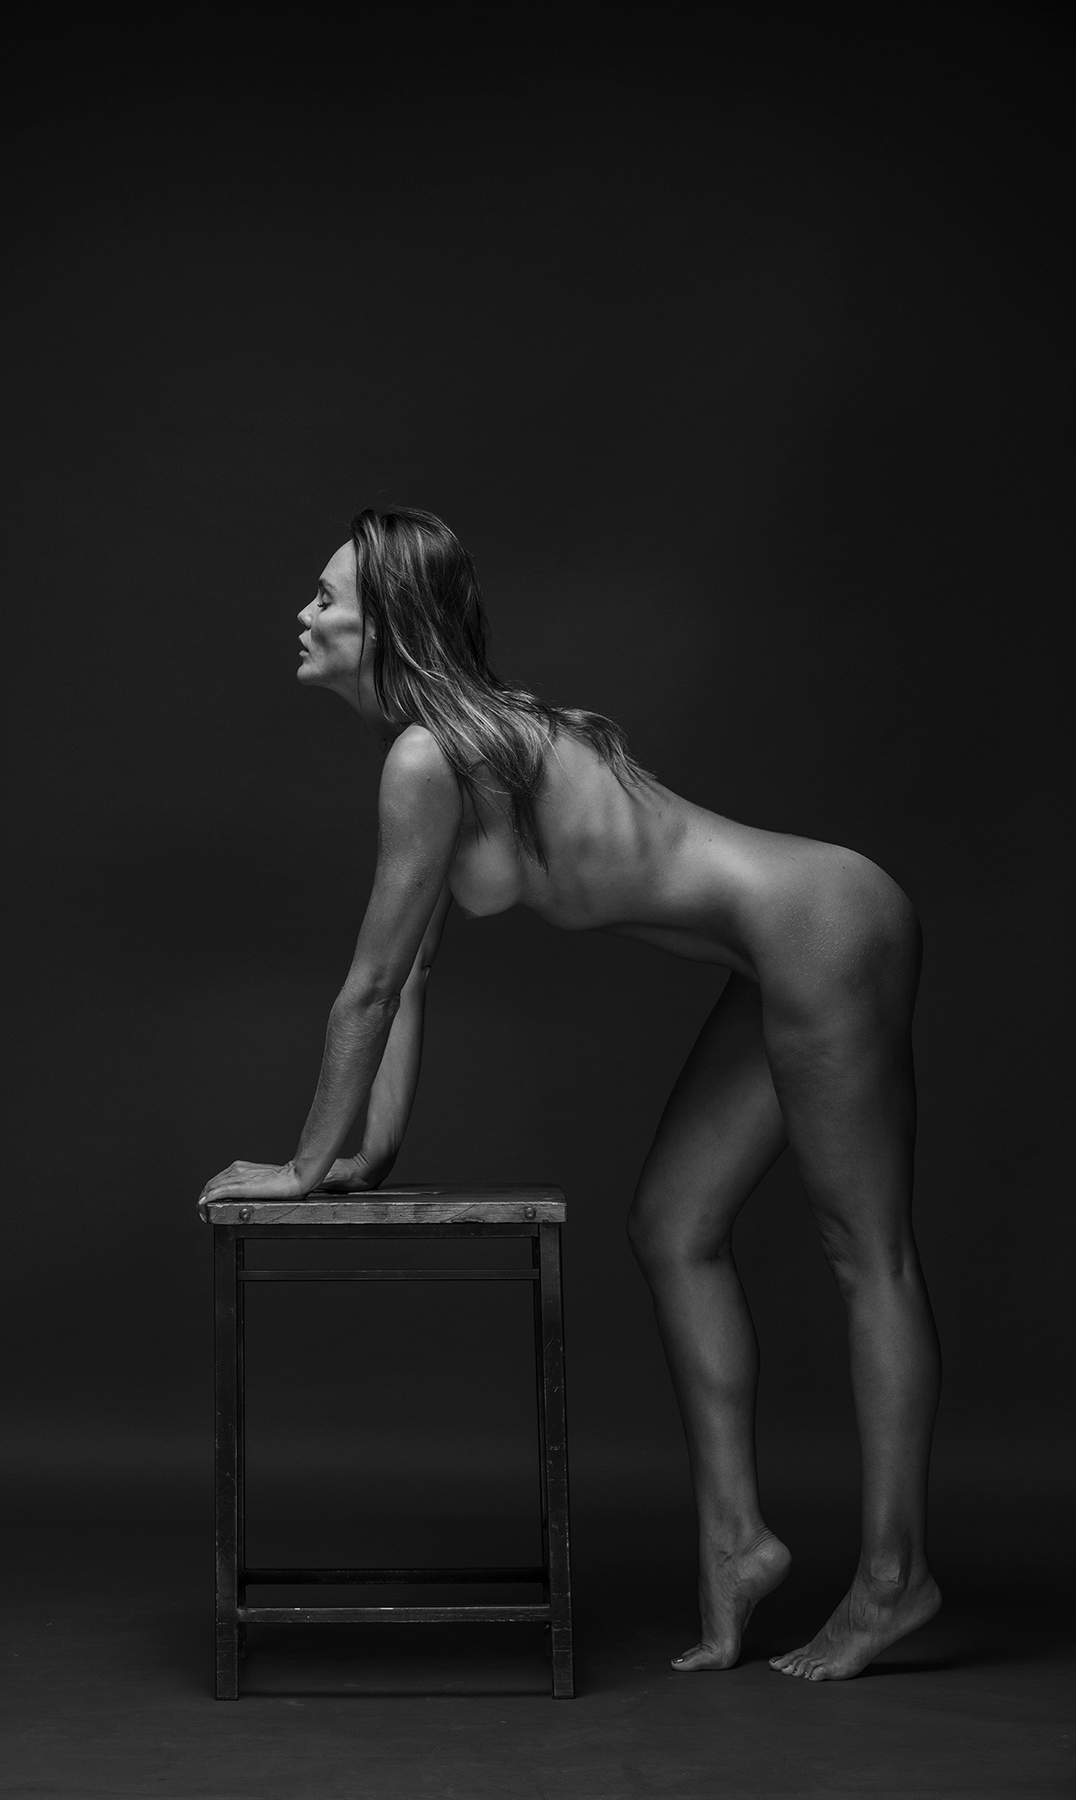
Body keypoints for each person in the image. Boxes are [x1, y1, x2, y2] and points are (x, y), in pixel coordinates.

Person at [197, 506, 942, 1682]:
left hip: (824, 921)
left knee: (867, 1253)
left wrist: (298, 1168)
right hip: (783, 946)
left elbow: (368, 990)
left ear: (389, 623)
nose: (304, 612)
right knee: (672, 1227)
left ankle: (896, 1581)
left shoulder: (430, 757)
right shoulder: (452, 751)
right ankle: (737, 1542)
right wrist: (362, 1155)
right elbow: (412, 975)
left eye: (328, 597)